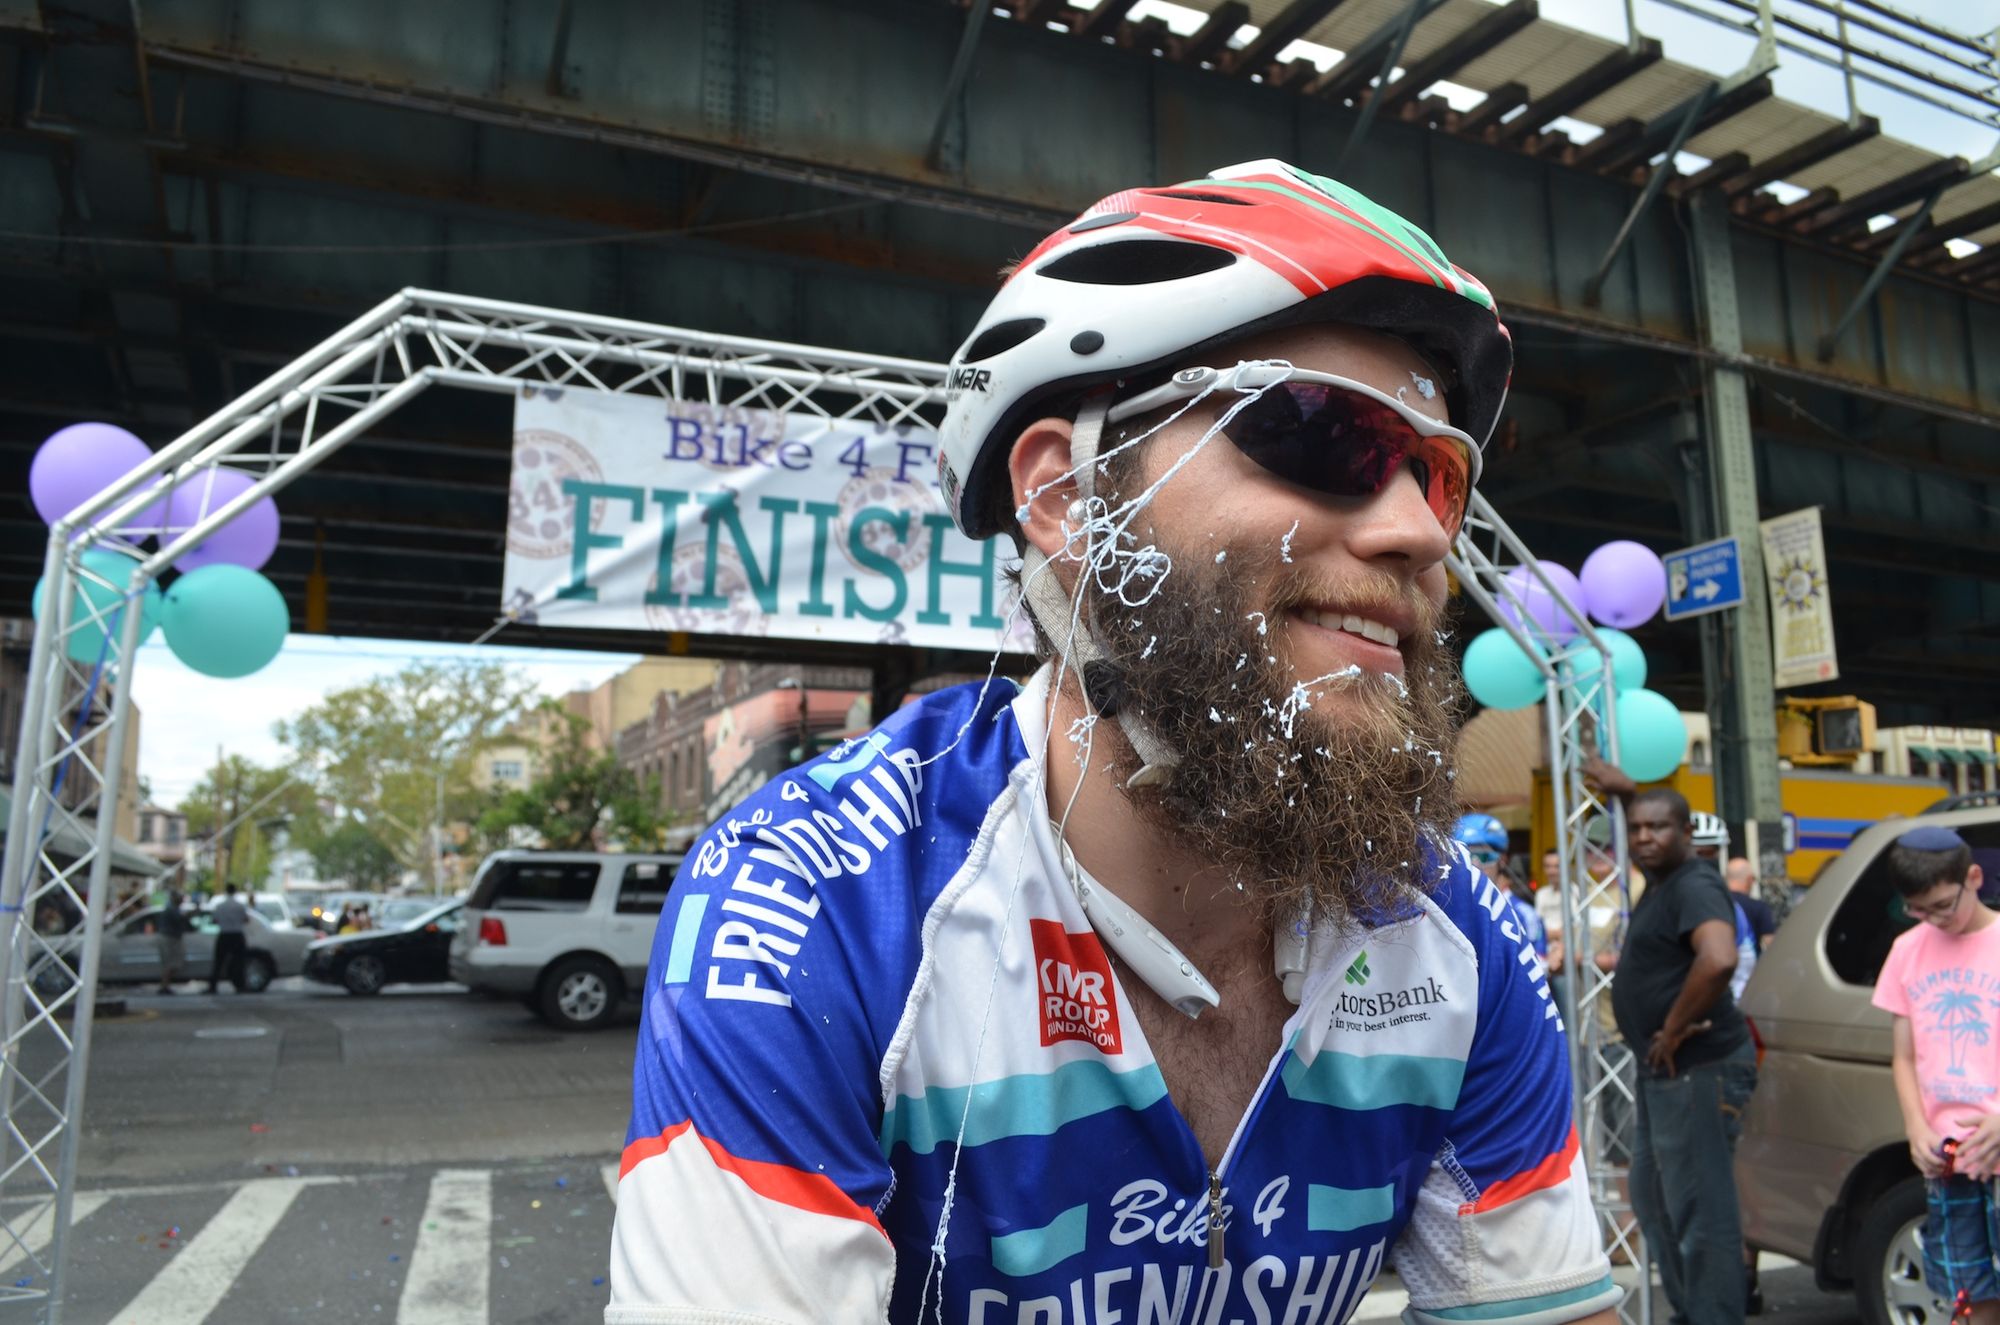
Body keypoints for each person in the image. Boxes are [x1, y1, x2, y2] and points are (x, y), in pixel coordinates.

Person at [609, 161, 1618, 1324]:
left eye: (1435, 477)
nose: (1411, 533)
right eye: (1320, 431)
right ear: (1069, 497)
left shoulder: (1457, 940)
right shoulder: (822, 905)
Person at [1613, 790, 1755, 1325]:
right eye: (1636, 827)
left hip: (1696, 1067)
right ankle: (1694, 1313)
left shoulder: (1694, 882)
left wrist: (1671, 1030)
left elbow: (1719, 958)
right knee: (1653, 1199)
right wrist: (1624, 790)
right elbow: (1646, 809)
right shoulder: (1665, 883)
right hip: (1664, 1073)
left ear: (1688, 836)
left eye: (1659, 828)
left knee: (1700, 1213)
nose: (1645, 836)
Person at [1871, 826, 2000, 1325]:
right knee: (1968, 1292)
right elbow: (1903, 1056)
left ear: (1973, 877)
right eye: (1918, 910)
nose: (1934, 921)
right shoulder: (1908, 950)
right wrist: (1916, 1127)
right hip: (1948, 1156)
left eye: (1944, 905)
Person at [1455, 813, 1546, 960]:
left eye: (1484, 856)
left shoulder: (1523, 915)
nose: (1475, 864)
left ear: (1502, 860)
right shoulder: (1446, 909)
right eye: (1465, 856)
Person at [1726, 856, 1775, 953]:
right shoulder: (1759, 907)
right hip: (1751, 966)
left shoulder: (1715, 904)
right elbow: (1771, 944)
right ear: (1749, 879)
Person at [208, 883, 249, 994]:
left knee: (219, 962)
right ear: (235, 891)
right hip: (237, 935)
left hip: (224, 934)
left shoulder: (220, 906)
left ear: (226, 891)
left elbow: (214, 920)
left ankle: (213, 986)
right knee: (239, 962)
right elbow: (246, 919)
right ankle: (240, 986)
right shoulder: (240, 906)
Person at [157, 888, 190, 994]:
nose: (181, 900)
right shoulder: (171, 909)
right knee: (170, 963)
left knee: (171, 963)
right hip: (169, 938)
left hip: (171, 937)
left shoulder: (172, 908)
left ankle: (165, 985)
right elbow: (180, 920)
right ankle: (164, 986)